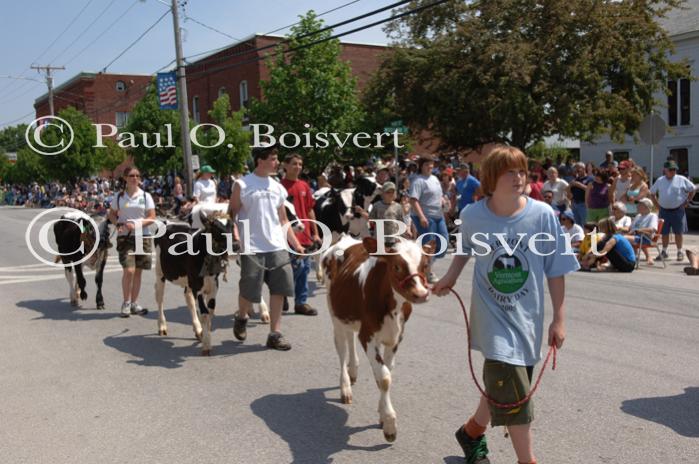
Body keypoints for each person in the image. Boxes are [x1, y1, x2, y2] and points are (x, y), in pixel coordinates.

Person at [432, 145, 578, 464]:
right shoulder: (473, 215)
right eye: (509, 171)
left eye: (522, 170)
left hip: (528, 320)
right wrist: (450, 278)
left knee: (504, 385)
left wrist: (559, 320)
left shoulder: (542, 215)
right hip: (491, 319)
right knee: (514, 396)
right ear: (490, 178)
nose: (518, 177)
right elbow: (465, 248)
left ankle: (471, 433)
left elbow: (556, 269)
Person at [228, 145, 305, 351]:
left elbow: (283, 219)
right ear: (260, 161)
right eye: (273, 159)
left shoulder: (277, 187)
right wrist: (236, 237)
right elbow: (232, 214)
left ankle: (274, 333)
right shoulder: (242, 184)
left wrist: (295, 243)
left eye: (276, 158)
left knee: (280, 288)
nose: (277, 162)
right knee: (249, 288)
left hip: (277, 245)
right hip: (252, 245)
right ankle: (242, 316)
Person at [107, 166, 156, 317]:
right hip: (126, 238)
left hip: (143, 236)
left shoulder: (146, 196)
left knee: (138, 272)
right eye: (131, 175)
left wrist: (136, 224)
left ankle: (134, 303)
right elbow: (111, 214)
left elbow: (152, 217)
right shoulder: (119, 196)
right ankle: (126, 302)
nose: (135, 178)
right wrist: (118, 224)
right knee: (129, 270)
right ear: (125, 178)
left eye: (137, 175)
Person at [280, 153, 320, 316]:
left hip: (305, 235)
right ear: (286, 166)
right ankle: (281, 294)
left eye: (300, 164)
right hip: (288, 235)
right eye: (294, 164)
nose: (298, 167)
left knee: (305, 269)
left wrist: (315, 232)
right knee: (295, 267)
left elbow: (310, 209)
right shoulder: (279, 187)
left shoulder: (304, 186)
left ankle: (300, 303)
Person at [409, 155, 449, 284]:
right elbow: (413, 200)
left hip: (439, 215)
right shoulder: (418, 181)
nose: (430, 166)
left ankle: (423, 265)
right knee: (429, 246)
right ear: (421, 166)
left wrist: (443, 200)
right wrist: (421, 217)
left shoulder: (435, 179)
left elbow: (439, 194)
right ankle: (428, 271)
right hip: (426, 217)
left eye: (431, 164)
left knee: (444, 243)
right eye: (427, 164)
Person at [649, 160, 696, 262]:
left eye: (674, 169)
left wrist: (687, 201)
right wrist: (657, 205)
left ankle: (679, 251)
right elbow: (652, 193)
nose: (673, 171)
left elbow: (693, 189)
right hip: (664, 210)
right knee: (664, 232)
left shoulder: (681, 179)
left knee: (678, 232)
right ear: (664, 170)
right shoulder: (660, 180)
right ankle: (664, 252)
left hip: (677, 210)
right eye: (670, 169)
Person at [625, 198, 658, 265]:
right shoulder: (638, 216)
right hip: (636, 236)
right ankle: (635, 256)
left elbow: (652, 229)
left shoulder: (652, 216)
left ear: (646, 206)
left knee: (622, 239)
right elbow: (630, 228)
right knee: (619, 236)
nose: (637, 206)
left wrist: (638, 230)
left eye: (640, 205)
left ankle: (632, 256)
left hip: (646, 238)